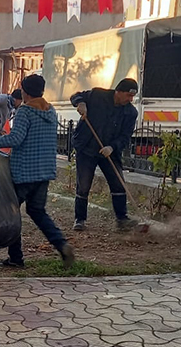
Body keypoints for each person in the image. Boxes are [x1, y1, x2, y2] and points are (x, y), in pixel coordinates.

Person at [0, 74, 75, 270]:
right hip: (45, 171)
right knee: (37, 211)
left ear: (25, 92)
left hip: (24, 173)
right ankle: (61, 245)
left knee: (10, 213)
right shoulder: (50, 110)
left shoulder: (25, 112)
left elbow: (15, 139)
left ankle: (16, 257)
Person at [70, 78, 139, 232]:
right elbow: (76, 96)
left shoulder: (130, 112)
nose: (130, 100)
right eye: (128, 95)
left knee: (118, 182)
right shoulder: (97, 95)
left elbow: (125, 137)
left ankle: (122, 219)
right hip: (86, 147)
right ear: (118, 92)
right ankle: (80, 219)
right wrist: (80, 103)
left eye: (132, 97)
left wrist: (112, 147)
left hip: (109, 151)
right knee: (84, 184)